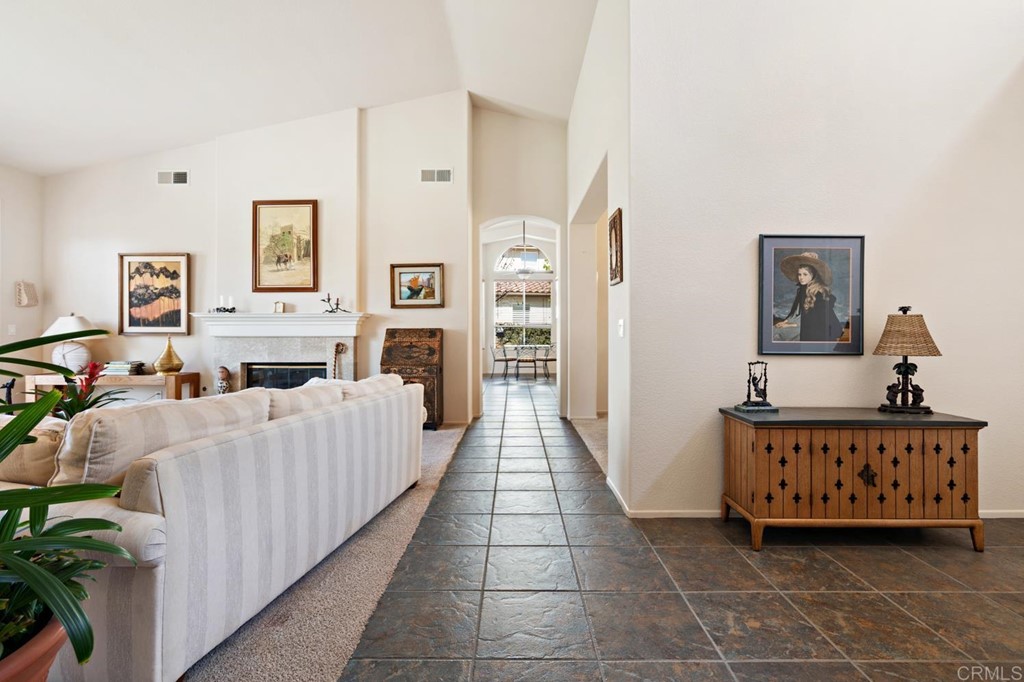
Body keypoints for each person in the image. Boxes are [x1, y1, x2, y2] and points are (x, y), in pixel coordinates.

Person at [774, 251, 844, 342]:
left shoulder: (819, 293)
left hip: (816, 330)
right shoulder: (802, 290)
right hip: (803, 325)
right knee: (775, 329)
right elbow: (798, 313)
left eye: (805, 274)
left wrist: (790, 325)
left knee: (777, 333)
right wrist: (786, 322)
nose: (801, 277)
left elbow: (817, 321)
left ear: (813, 275)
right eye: (799, 274)